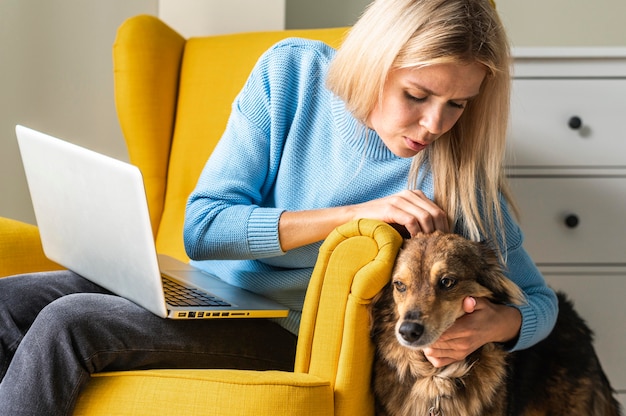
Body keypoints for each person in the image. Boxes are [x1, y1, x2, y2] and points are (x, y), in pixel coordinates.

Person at [0, 0, 558, 414]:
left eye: (456, 104)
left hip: (283, 333)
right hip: (201, 287)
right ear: (373, 62)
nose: (434, 124)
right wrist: (352, 215)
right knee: (7, 300)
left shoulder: (456, 178)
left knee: (66, 325)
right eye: (417, 94)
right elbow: (204, 229)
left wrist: (497, 323)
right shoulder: (289, 75)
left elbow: (539, 300)